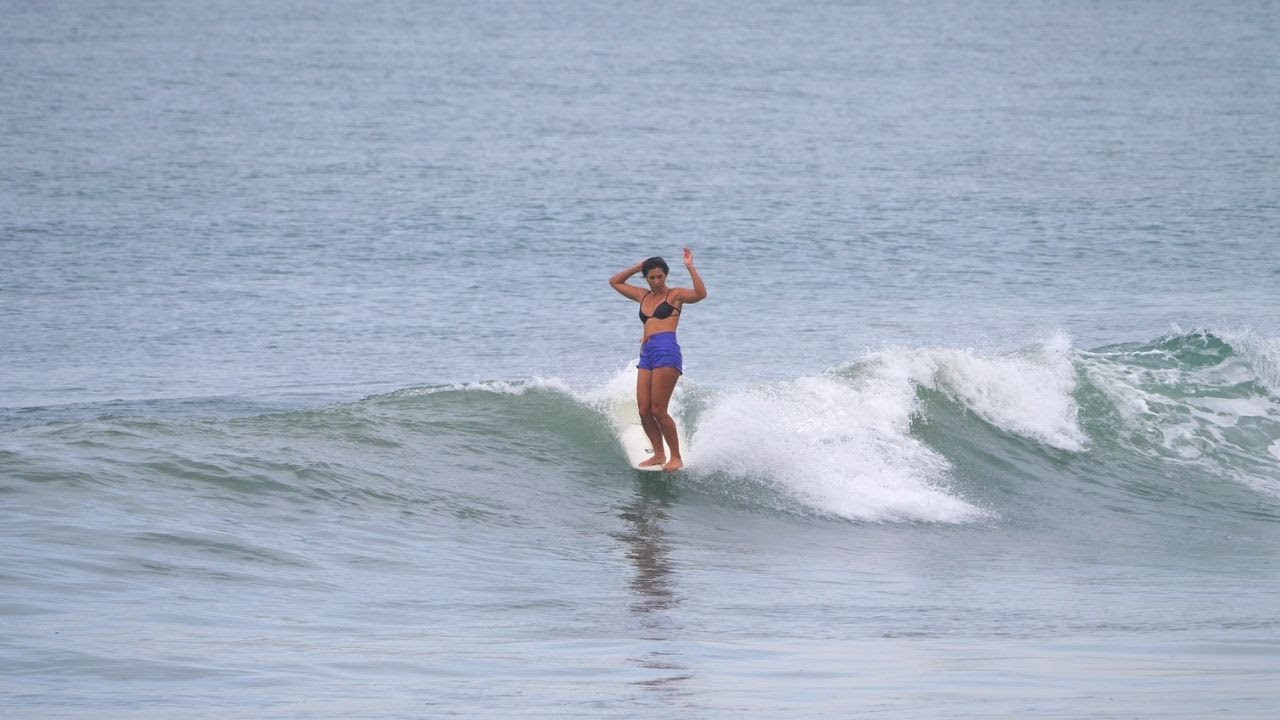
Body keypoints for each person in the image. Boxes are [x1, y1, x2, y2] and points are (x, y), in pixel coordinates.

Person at [609, 247, 708, 472]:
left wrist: (690, 268)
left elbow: (700, 294)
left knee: (658, 410)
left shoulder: (675, 295)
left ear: (666, 275)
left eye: (660, 277)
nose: (656, 281)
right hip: (647, 351)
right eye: (651, 277)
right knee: (644, 410)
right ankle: (658, 454)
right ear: (646, 278)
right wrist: (638, 267)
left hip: (666, 349)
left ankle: (676, 457)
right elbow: (614, 282)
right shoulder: (643, 295)